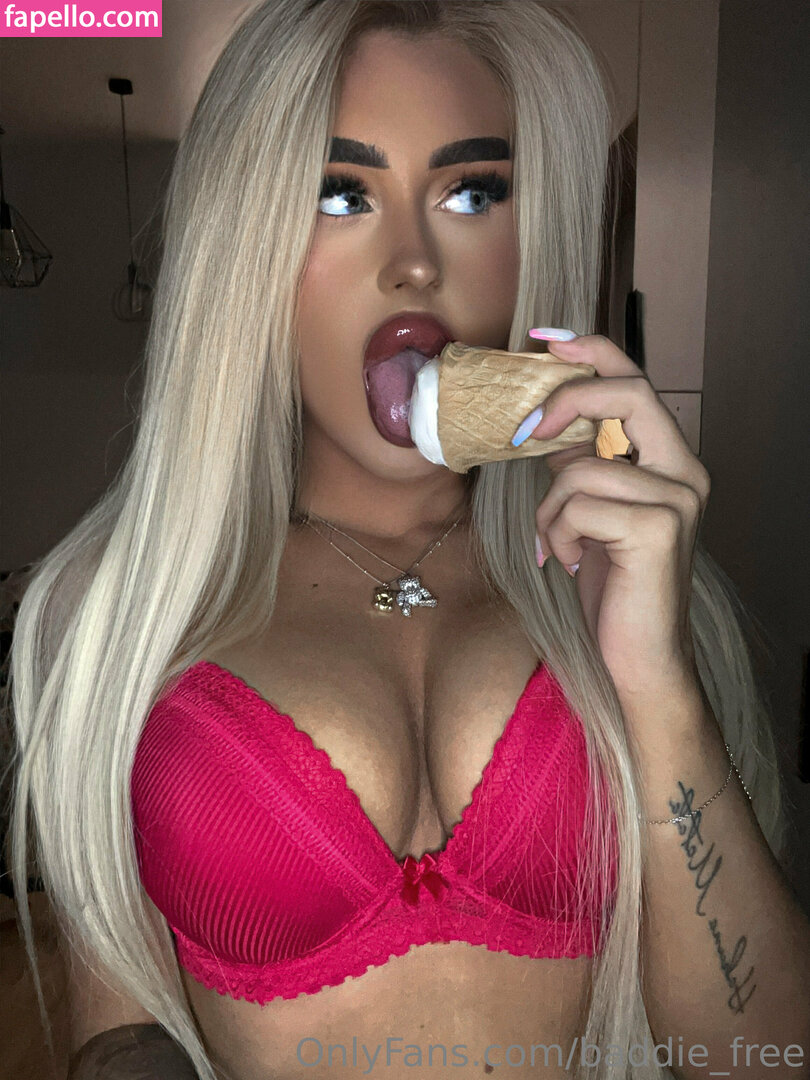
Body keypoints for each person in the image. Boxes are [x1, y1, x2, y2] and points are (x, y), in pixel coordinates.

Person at [6, 3, 810, 1079]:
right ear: (244, 243)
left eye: (472, 194)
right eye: (338, 194)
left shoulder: (635, 581)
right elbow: (118, 1025)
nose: (415, 265)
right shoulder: (117, 608)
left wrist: (655, 679)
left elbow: (765, 1056)